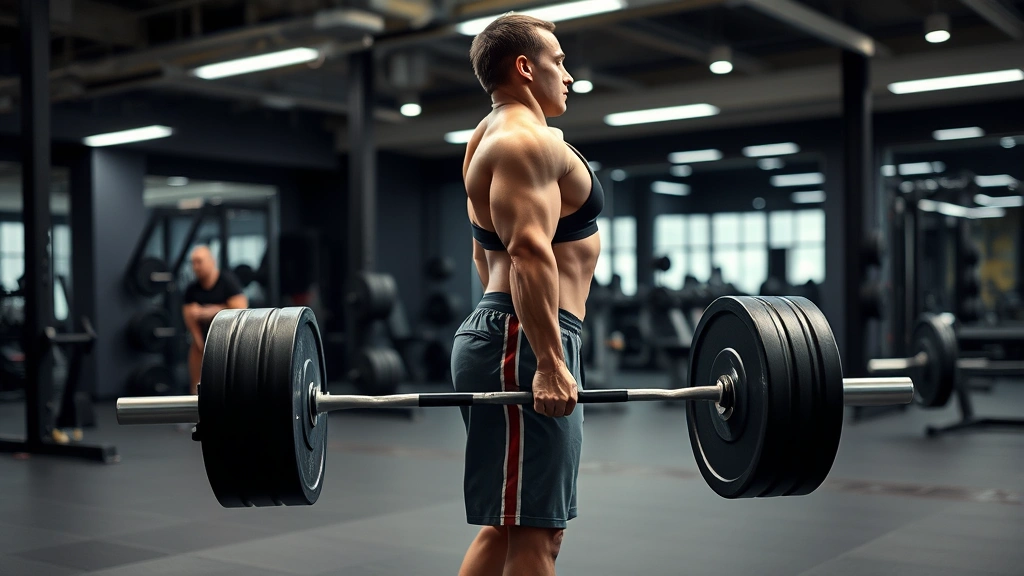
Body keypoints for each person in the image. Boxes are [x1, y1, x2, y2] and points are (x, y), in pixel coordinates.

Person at [452, 13, 603, 576]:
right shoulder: (524, 141)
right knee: (540, 532)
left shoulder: (487, 136)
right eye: (559, 62)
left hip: (512, 334)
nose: (568, 75)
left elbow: (480, 252)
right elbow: (526, 253)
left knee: (510, 522)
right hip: (524, 340)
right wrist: (548, 362)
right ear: (523, 67)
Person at [182, 246, 248, 395]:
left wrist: (206, 312)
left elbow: (241, 309)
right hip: (203, 341)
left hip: (229, 342)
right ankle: (200, 414)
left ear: (212, 261)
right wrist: (199, 342)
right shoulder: (192, 289)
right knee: (197, 384)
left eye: (199, 262)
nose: (195, 267)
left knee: (230, 384)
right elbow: (189, 315)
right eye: (193, 263)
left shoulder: (228, 282)